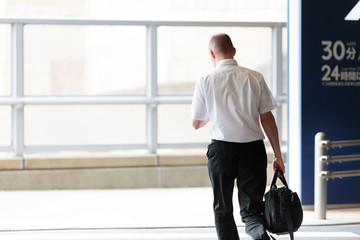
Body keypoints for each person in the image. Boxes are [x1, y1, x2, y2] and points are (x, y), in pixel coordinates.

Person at [191, 33, 285, 240]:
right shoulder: (255, 77)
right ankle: (260, 237)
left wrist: (211, 114)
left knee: (223, 209)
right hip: (252, 150)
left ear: (211, 54)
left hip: (221, 151)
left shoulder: (206, 80)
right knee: (252, 211)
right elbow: (267, 118)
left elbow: (196, 123)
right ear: (234, 51)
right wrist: (278, 155)